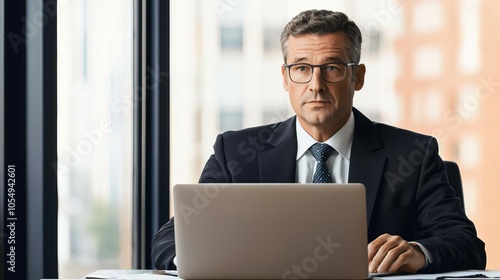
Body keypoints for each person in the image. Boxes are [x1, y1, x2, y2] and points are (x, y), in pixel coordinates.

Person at [152, 9, 486, 274]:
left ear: (358, 76)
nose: (316, 84)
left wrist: (417, 253)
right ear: (286, 77)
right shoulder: (235, 153)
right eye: (301, 68)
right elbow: (171, 239)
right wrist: (201, 262)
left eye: (332, 68)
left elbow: (465, 244)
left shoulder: (412, 154)